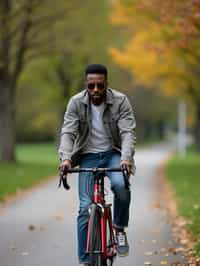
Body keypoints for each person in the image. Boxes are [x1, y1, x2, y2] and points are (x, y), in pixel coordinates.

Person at [58, 64, 136, 266]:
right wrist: (66, 158)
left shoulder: (120, 101)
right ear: (86, 84)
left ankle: (118, 228)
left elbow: (128, 132)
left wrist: (126, 158)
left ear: (106, 84)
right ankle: (86, 261)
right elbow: (68, 132)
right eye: (91, 85)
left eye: (99, 86)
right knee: (85, 208)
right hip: (87, 156)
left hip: (113, 154)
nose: (95, 90)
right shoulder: (76, 102)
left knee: (121, 185)